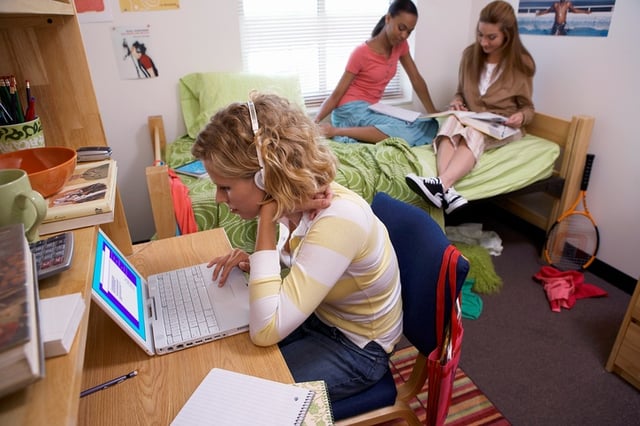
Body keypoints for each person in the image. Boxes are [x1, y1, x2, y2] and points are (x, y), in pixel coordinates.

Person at [192, 92, 403, 403]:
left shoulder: (337, 220)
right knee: (219, 369)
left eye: (225, 186)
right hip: (320, 316)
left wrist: (266, 215)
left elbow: (266, 331)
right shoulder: (295, 204)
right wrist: (256, 260)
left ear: (267, 179)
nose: (219, 199)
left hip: (357, 347)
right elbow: (299, 261)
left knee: (242, 400)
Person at [406, 0, 536, 214]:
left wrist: (521, 117)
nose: (483, 42)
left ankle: (442, 183)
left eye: (491, 37)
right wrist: (457, 102)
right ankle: (446, 189)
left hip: (503, 125)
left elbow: (528, 108)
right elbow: (460, 91)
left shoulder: (521, 64)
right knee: (451, 121)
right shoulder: (469, 56)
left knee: (474, 131)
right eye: (480, 34)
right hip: (473, 118)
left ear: (508, 35)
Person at [313, 0, 438, 147]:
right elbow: (336, 94)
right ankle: (338, 131)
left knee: (427, 124)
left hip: (372, 109)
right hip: (350, 110)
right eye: (401, 28)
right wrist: (313, 123)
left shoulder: (401, 46)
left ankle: (359, 133)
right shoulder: (361, 53)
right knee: (405, 133)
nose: (404, 35)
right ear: (388, 18)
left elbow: (416, 79)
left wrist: (433, 113)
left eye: (409, 31)